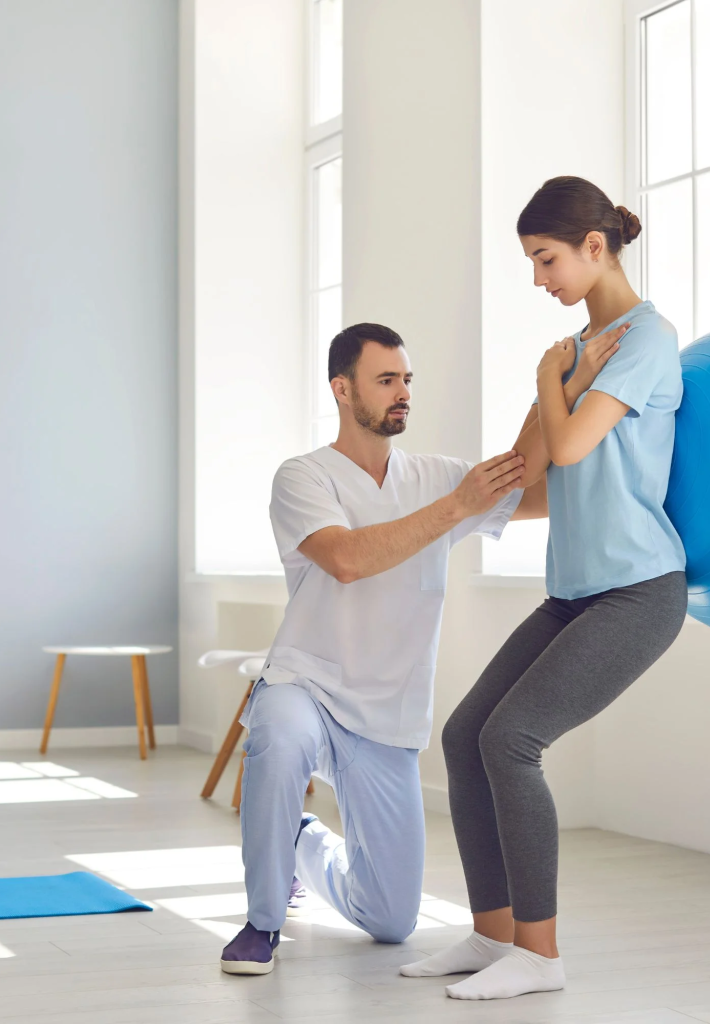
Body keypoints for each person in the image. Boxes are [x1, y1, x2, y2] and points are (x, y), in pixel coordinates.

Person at [400, 176, 688, 1001]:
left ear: (594, 247)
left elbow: (568, 451)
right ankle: (493, 937)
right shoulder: (575, 350)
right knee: (464, 736)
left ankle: (540, 953)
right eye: (532, 262)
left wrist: (545, 375)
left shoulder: (647, 339)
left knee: (510, 741)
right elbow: (530, 466)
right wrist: (556, 373)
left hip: (638, 590)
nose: (539, 279)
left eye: (545, 259)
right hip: (574, 592)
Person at [220, 322, 548, 975]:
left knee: (393, 922)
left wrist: (550, 392)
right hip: (305, 683)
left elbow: (529, 489)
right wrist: (456, 507)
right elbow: (345, 559)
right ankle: (261, 922)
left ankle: (303, 842)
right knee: (279, 739)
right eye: (385, 380)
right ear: (342, 390)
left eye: (406, 380)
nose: (402, 393)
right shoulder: (303, 477)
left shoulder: (437, 477)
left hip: (387, 711)